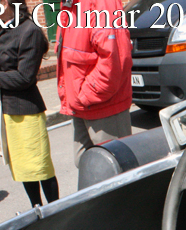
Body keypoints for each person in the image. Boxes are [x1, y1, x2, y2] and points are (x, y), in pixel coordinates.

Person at [0, 0, 59, 208]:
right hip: (6, 110)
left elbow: (25, 77)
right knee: (24, 169)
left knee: (41, 168)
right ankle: (36, 209)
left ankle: (56, 211)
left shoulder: (29, 30)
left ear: (6, 3)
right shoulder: (0, 27)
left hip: (27, 111)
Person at [56, 0, 133, 168]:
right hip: (80, 105)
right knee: (87, 168)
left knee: (116, 171)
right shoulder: (70, 5)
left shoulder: (101, 3)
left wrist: (85, 94)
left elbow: (115, 60)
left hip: (102, 105)